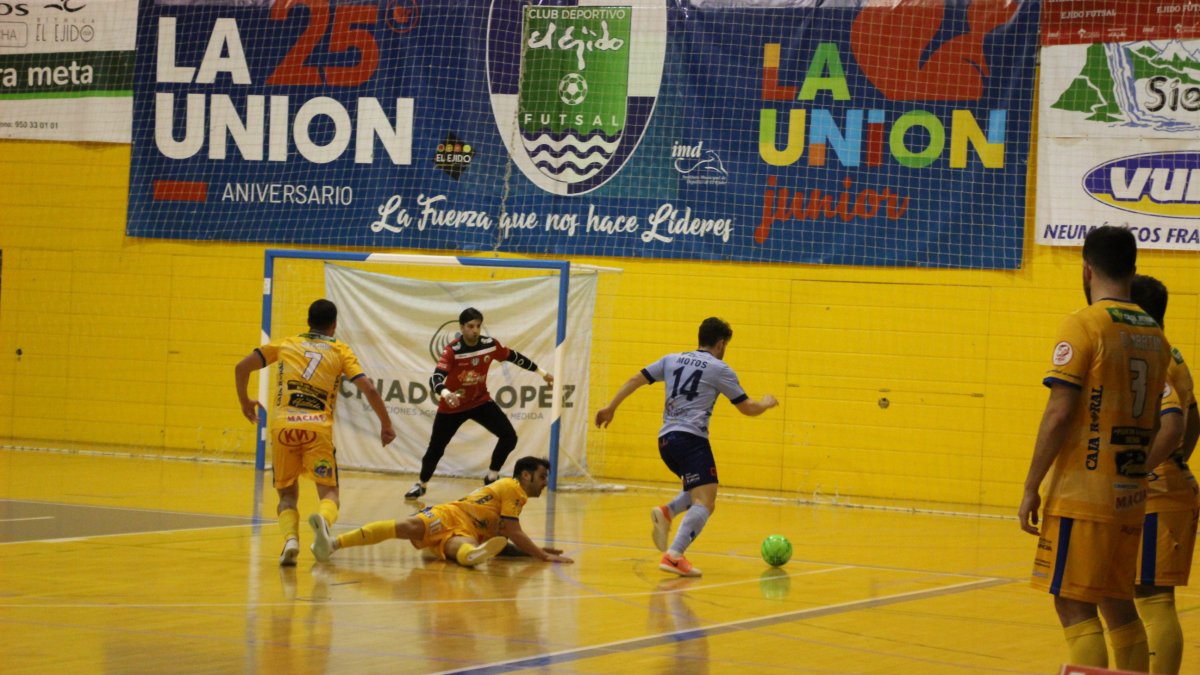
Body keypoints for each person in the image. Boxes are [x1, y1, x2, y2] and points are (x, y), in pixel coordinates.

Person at [1018, 226, 1174, 671]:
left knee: (1073, 605)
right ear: (1133, 268)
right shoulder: (1155, 333)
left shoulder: (1084, 324)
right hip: (1129, 494)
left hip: (1083, 494)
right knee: (1119, 605)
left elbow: (1059, 412)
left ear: (1087, 269)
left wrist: (1031, 486)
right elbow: (1162, 419)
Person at [594, 317, 778, 577]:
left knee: (697, 490)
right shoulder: (719, 369)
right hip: (691, 440)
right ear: (721, 343)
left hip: (666, 441)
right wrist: (766, 403)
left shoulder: (672, 359)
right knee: (706, 501)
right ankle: (674, 556)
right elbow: (747, 408)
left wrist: (611, 407)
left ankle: (667, 512)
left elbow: (637, 378)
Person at [235, 299, 396, 567]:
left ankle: (291, 540)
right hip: (317, 430)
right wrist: (386, 424)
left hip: (283, 428)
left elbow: (241, 368)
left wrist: (245, 402)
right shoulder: (340, 350)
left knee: (287, 496)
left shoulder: (286, 344)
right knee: (330, 495)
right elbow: (369, 388)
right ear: (334, 325)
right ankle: (323, 520)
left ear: (308, 321)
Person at [312, 456, 573, 566]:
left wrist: (529, 553)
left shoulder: (514, 500)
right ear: (525, 475)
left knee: (465, 547)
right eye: (542, 476)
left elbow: (501, 543)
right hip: (452, 514)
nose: (544, 483)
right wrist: (540, 555)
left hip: (468, 532)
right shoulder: (513, 488)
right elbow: (514, 532)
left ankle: (470, 555)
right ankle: (333, 543)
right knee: (406, 527)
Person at [404, 307, 553, 500]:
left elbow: (514, 357)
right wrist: (446, 394)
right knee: (436, 449)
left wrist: (542, 373)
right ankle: (421, 484)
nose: (475, 330)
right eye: (470, 326)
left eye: (478, 326)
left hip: (479, 402)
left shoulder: (489, 345)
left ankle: (491, 477)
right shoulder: (452, 350)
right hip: (452, 407)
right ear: (461, 327)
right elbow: (435, 379)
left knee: (509, 437)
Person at [1130, 274, 1200, 675]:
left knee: (1154, 597)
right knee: (1144, 594)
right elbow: (1194, 420)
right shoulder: (1174, 353)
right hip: (1170, 486)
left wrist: (1144, 470)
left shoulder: (1153, 354)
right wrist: (1176, 461)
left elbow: (1174, 426)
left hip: (1158, 493)